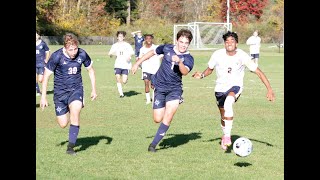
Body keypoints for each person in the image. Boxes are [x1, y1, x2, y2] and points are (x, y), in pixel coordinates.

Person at [192, 31, 275, 151]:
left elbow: (258, 72)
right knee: (223, 115)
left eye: (232, 41)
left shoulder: (243, 55)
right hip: (220, 89)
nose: (229, 43)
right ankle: (225, 133)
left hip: (235, 86)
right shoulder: (217, 54)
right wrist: (202, 75)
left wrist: (269, 89)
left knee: (228, 103)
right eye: (227, 41)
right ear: (224, 44)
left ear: (236, 43)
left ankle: (227, 136)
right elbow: (209, 69)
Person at [131, 29, 194, 152]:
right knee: (157, 119)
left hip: (175, 89)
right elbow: (152, 52)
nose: (183, 45)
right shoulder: (167, 48)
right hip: (160, 87)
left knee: (168, 116)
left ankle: (153, 145)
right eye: (181, 42)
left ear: (189, 44)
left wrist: (179, 62)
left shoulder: (188, 58)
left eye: (186, 43)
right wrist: (137, 63)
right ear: (177, 41)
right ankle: (165, 106)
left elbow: (185, 72)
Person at [40, 33, 97, 155]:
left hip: (76, 90)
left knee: (75, 112)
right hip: (60, 94)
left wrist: (93, 89)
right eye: (71, 50)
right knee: (63, 124)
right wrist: (43, 97)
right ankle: (67, 108)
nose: (74, 52)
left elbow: (91, 71)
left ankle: (70, 147)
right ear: (65, 48)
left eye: (75, 49)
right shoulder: (56, 56)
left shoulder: (82, 54)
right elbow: (46, 77)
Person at [108, 31, 135, 98]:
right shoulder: (114, 45)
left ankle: (125, 79)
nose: (120, 38)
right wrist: (111, 55)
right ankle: (121, 94)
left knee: (124, 81)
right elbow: (110, 54)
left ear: (124, 37)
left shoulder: (127, 45)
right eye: (119, 36)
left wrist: (129, 56)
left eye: (121, 36)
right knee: (117, 77)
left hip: (126, 65)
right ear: (117, 37)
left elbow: (132, 52)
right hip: (118, 64)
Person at [138, 34, 163, 104]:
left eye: (150, 38)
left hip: (155, 69)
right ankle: (148, 100)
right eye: (147, 38)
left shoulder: (156, 48)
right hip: (146, 69)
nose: (148, 40)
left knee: (153, 86)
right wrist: (138, 65)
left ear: (152, 39)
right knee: (146, 82)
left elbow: (161, 56)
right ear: (145, 40)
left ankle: (155, 98)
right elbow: (140, 58)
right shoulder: (142, 49)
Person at [36, 31, 50, 96]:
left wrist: (46, 59)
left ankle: (43, 90)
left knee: (40, 80)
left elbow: (48, 51)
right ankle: (38, 91)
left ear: (39, 36)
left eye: (36, 35)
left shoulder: (43, 43)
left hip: (41, 63)